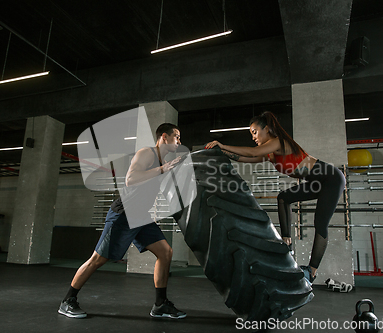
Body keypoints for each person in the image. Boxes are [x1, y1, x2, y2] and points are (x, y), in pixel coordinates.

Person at [59, 123, 186, 319]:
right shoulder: (147, 153)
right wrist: (162, 169)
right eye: (176, 136)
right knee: (98, 259)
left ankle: (160, 304)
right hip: (124, 214)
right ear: (164, 137)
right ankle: (68, 300)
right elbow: (131, 179)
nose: (179, 141)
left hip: (141, 217)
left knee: (165, 252)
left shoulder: (163, 161)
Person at [205, 111, 345, 283]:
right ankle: (287, 243)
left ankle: (312, 271)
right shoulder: (270, 154)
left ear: (267, 129)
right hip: (317, 181)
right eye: (251, 134)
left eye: (255, 132)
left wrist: (222, 144)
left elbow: (251, 152)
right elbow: (243, 158)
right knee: (284, 197)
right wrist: (221, 151)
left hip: (330, 178)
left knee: (320, 223)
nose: (253, 137)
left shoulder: (278, 142)